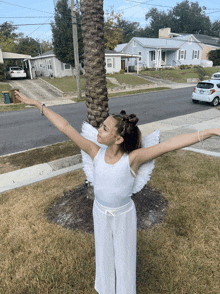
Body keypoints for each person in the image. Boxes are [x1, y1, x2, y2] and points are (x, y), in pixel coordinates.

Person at [14, 91, 220, 294]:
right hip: (100, 212)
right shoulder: (94, 151)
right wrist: (36, 103)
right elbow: (65, 127)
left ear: (118, 139)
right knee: (103, 254)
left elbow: (169, 145)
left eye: (104, 128)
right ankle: (105, 289)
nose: (99, 130)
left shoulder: (133, 159)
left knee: (124, 257)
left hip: (123, 216)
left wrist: (210, 131)